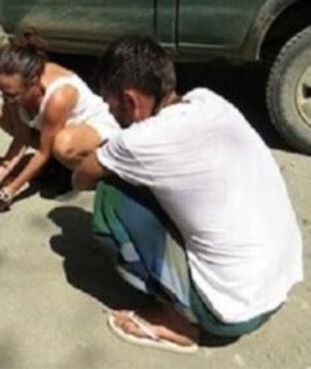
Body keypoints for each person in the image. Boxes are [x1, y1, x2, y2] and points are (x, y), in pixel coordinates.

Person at [73, 36, 303, 353]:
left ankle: (178, 320)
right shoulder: (209, 101)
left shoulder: (139, 141)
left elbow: (81, 178)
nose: (111, 112)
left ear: (130, 100)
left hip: (227, 313)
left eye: (110, 103)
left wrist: (105, 152)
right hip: (276, 286)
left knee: (110, 196)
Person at [0, 29, 119, 209]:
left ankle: (91, 175)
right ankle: (59, 165)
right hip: (60, 128)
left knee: (61, 145)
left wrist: (11, 191)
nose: (7, 99)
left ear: (33, 84)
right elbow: (21, 138)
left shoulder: (58, 96)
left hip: (95, 131)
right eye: (2, 92)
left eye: (12, 95)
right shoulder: (16, 91)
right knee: (3, 115)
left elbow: (43, 152)